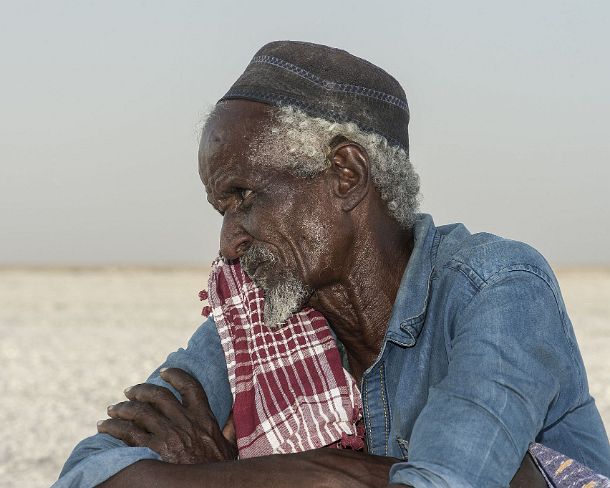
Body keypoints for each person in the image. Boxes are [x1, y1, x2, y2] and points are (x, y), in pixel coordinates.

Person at [53, 41, 610, 488]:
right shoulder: (262, 317)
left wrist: (220, 473)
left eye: (244, 197)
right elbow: (89, 473)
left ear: (346, 174)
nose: (227, 244)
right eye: (221, 209)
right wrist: (327, 472)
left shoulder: (498, 287)